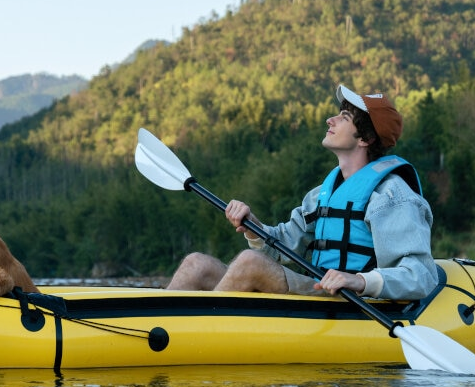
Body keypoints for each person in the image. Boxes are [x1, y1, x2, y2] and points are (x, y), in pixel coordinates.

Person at [166, 84, 437, 300]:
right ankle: (159, 327)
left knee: (251, 263)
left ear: (365, 139)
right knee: (196, 264)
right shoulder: (321, 194)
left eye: (343, 118)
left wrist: (359, 280)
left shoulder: (392, 196)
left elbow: (421, 275)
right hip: (319, 289)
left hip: (351, 303)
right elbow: (281, 246)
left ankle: (198, 334)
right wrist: (254, 227)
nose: (330, 120)